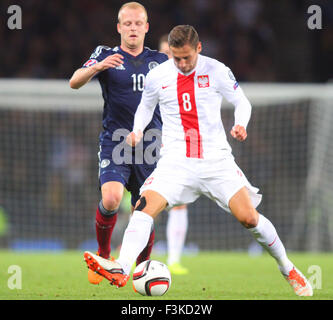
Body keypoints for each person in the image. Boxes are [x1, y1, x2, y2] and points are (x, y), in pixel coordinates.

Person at [84, 25, 313, 296]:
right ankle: (121, 266)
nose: (181, 63)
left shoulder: (216, 70)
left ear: (199, 49)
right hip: (176, 162)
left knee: (250, 218)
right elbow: (145, 107)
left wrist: (241, 124)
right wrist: (136, 130)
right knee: (143, 208)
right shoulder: (158, 75)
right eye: (176, 57)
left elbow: (242, 102)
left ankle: (287, 267)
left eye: (187, 57)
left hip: (215, 161)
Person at [70, 2, 168, 285]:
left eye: (138, 23)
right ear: (119, 27)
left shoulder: (161, 61)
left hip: (151, 144)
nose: (133, 28)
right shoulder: (105, 55)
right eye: (128, 23)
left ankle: (143, 267)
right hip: (116, 141)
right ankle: (104, 253)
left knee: (144, 209)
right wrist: (98, 67)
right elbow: (74, 82)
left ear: (146, 27)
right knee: (111, 199)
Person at [158, 34, 189, 275]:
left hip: (176, 148)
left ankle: (174, 259)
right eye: (165, 54)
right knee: (141, 202)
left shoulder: (189, 82)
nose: (170, 58)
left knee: (179, 203)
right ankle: (123, 251)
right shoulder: (152, 81)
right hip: (148, 147)